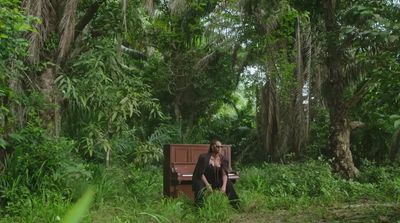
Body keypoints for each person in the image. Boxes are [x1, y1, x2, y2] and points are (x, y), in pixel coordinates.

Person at [192, 139, 239, 208]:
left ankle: (236, 205)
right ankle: (199, 208)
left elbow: (224, 174)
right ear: (212, 147)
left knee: (228, 183)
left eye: (221, 147)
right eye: (217, 146)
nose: (220, 148)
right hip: (204, 179)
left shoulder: (223, 159)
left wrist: (224, 186)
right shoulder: (203, 157)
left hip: (216, 179)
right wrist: (207, 184)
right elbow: (200, 173)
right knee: (199, 186)